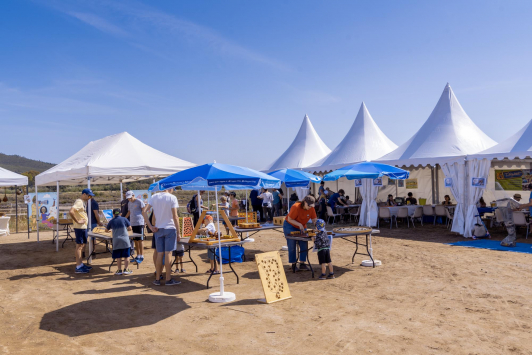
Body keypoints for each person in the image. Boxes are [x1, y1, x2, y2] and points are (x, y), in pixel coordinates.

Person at [143, 188, 181, 286]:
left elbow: (144, 211)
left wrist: (150, 226)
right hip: (170, 228)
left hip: (158, 229)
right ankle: (168, 279)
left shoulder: (154, 197)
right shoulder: (172, 197)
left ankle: (157, 279)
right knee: (168, 254)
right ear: (170, 188)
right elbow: (175, 216)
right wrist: (178, 232)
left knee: (160, 254)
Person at [283, 195, 318, 271]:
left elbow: (314, 219)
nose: (310, 207)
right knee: (292, 245)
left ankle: (302, 263)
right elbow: (290, 219)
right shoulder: (295, 207)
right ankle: (293, 264)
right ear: (304, 202)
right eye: (308, 205)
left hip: (302, 225)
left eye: (311, 206)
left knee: (304, 244)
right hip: (290, 225)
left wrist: (318, 227)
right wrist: (299, 225)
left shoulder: (311, 209)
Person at [69, 189, 94, 274]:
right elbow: (71, 211)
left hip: (82, 227)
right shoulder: (79, 202)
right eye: (89, 196)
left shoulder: (82, 202)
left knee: (81, 245)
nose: (90, 198)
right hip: (80, 227)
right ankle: (78, 266)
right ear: (84, 194)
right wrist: (77, 221)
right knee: (79, 246)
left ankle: (80, 264)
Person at [106, 208, 133, 276]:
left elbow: (106, 230)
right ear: (120, 213)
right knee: (126, 256)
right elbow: (130, 228)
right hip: (125, 240)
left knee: (118, 256)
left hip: (116, 240)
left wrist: (111, 230)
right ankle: (126, 269)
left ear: (113, 214)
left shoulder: (111, 221)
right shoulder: (124, 219)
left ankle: (119, 270)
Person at [125, 190, 146, 264]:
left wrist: (145, 222)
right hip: (132, 223)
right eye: (128, 198)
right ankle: (138, 255)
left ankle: (141, 256)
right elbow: (129, 212)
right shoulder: (129, 203)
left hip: (140, 223)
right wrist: (124, 219)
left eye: (130, 197)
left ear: (133, 195)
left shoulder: (139, 201)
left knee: (140, 240)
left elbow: (144, 211)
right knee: (135, 240)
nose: (129, 199)